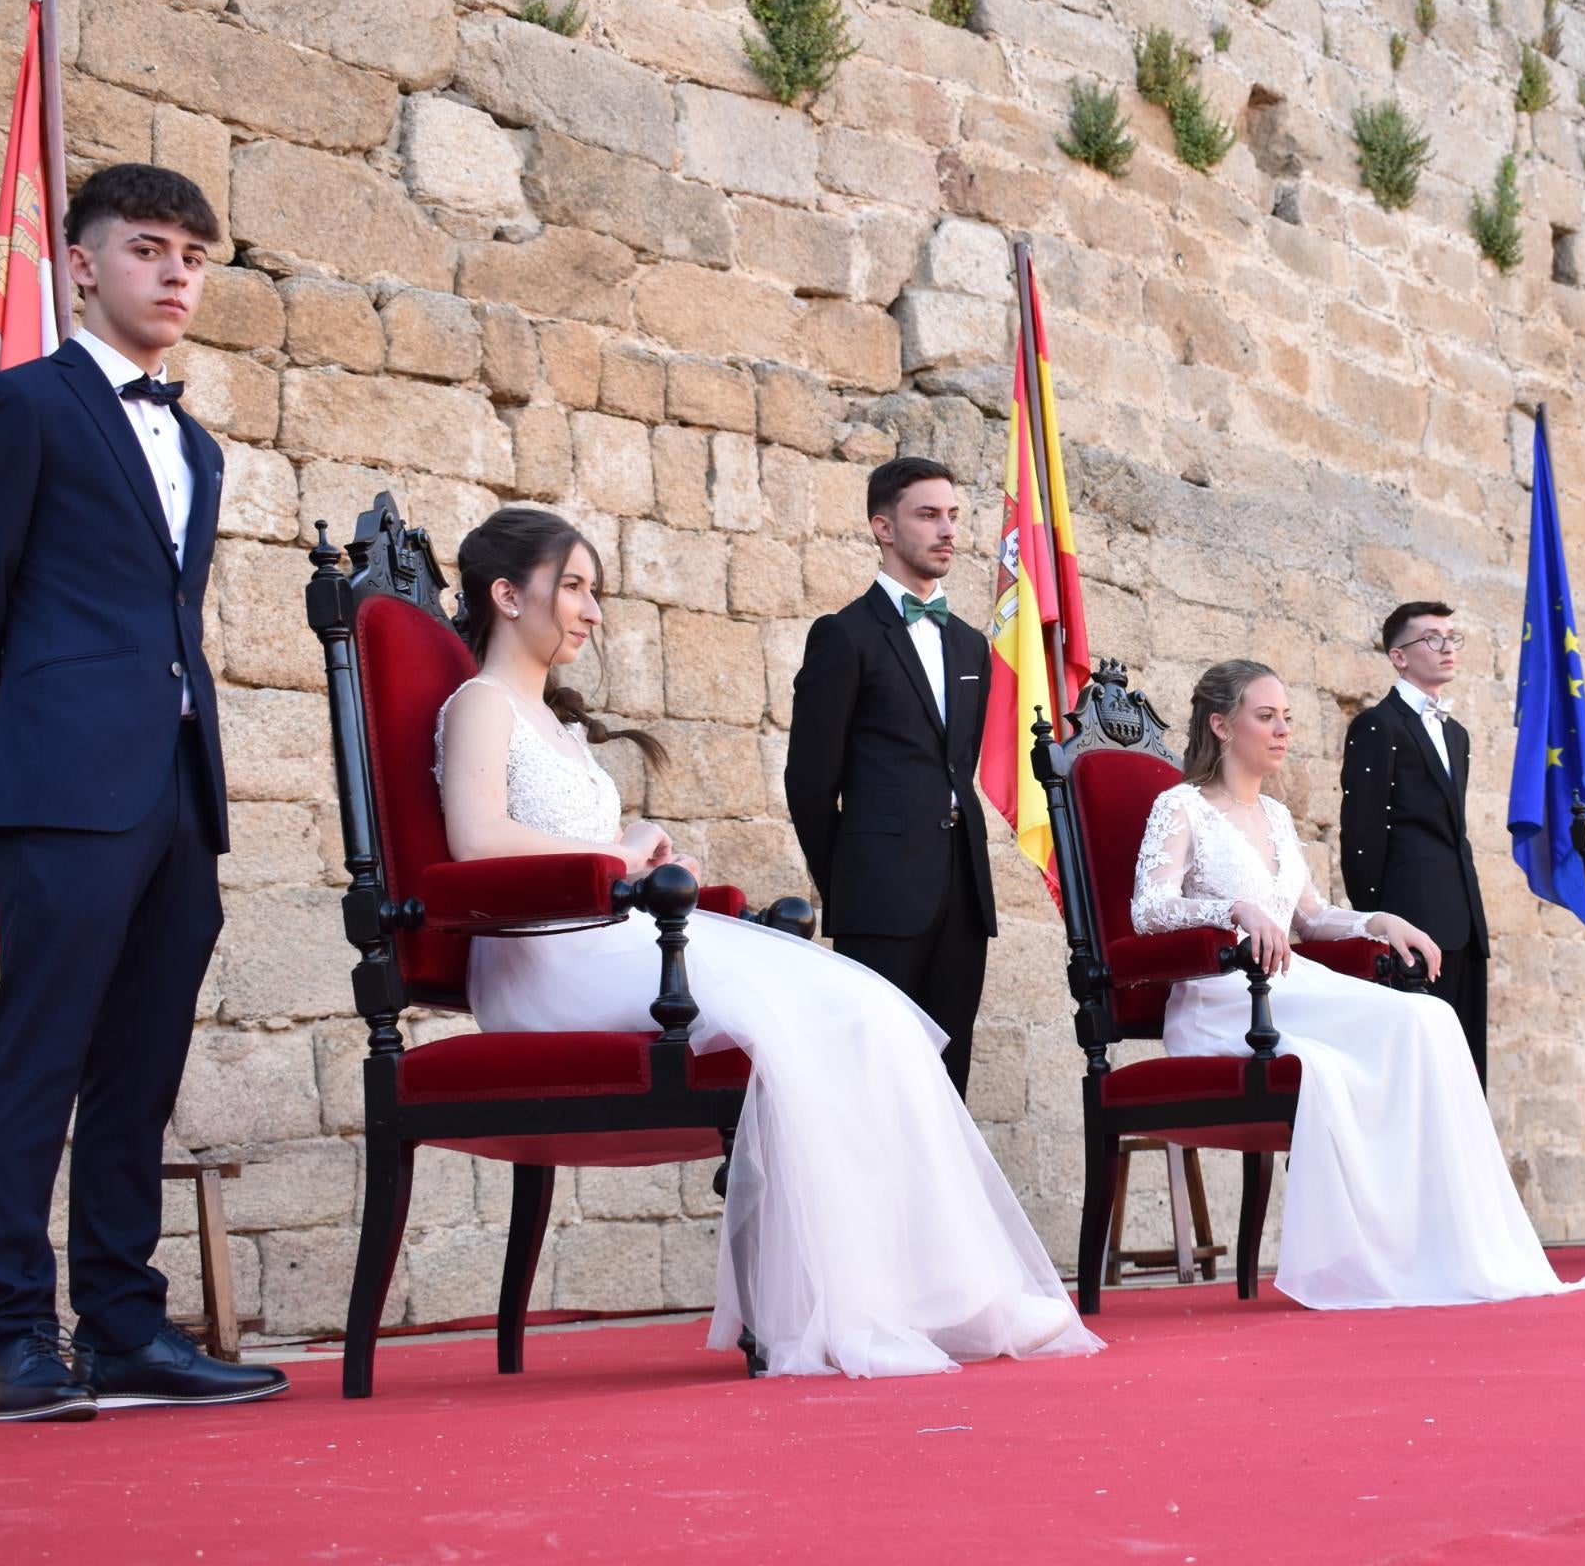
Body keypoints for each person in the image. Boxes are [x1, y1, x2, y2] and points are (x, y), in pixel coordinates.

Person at [435, 507, 1098, 1378]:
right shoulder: (481, 703)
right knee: (833, 1009)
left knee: (867, 1014)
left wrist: (644, 848)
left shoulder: (552, 722)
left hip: (608, 940)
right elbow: (476, 842)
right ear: (507, 595)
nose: (594, 611)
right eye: (576, 588)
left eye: (594, 590)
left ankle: (931, 1291)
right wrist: (616, 853)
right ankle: (873, 1303)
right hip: (545, 962)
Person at [0, 165, 288, 1421]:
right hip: (59, 783)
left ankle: (127, 1322)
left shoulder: (194, 441)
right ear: (82, 264)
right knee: (42, 1053)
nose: (176, 275)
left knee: (141, 1067)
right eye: (148, 249)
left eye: (194, 257)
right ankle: (14, 1337)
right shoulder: (21, 406)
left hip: (175, 792)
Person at [1130, 660, 1585, 1309]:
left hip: (1292, 985)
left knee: (1429, 1020)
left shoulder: (1277, 817)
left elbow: (1312, 919)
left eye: (1286, 716)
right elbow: (1148, 910)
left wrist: (1380, 920)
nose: (1284, 729)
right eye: (1267, 716)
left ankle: (1431, 1245)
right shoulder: (1181, 806)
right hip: (1224, 1000)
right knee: (1358, 1051)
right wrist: (1232, 910)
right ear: (1220, 724)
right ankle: (1367, 1256)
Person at [784, 457, 994, 1098]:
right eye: (927, 515)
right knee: (873, 1080)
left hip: (963, 889)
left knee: (946, 1082)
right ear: (883, 527)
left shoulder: (970, 645)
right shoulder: (843, 637)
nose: (946, 530)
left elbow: (958, 766)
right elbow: (809, 782)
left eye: (952, 515)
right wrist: (850, 881)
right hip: (879, 894)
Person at [1340, 602, 1492, 1086]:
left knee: (1464, 1071)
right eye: (1432, 638)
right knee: (1420, 1073)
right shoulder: (1376, 726)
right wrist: (1380, 921)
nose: (1447, 647)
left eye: (1451, 637)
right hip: (1410, 920)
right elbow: (1360, 835)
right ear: (1398, 656)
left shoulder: (1458, 734)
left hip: (1464, 919)